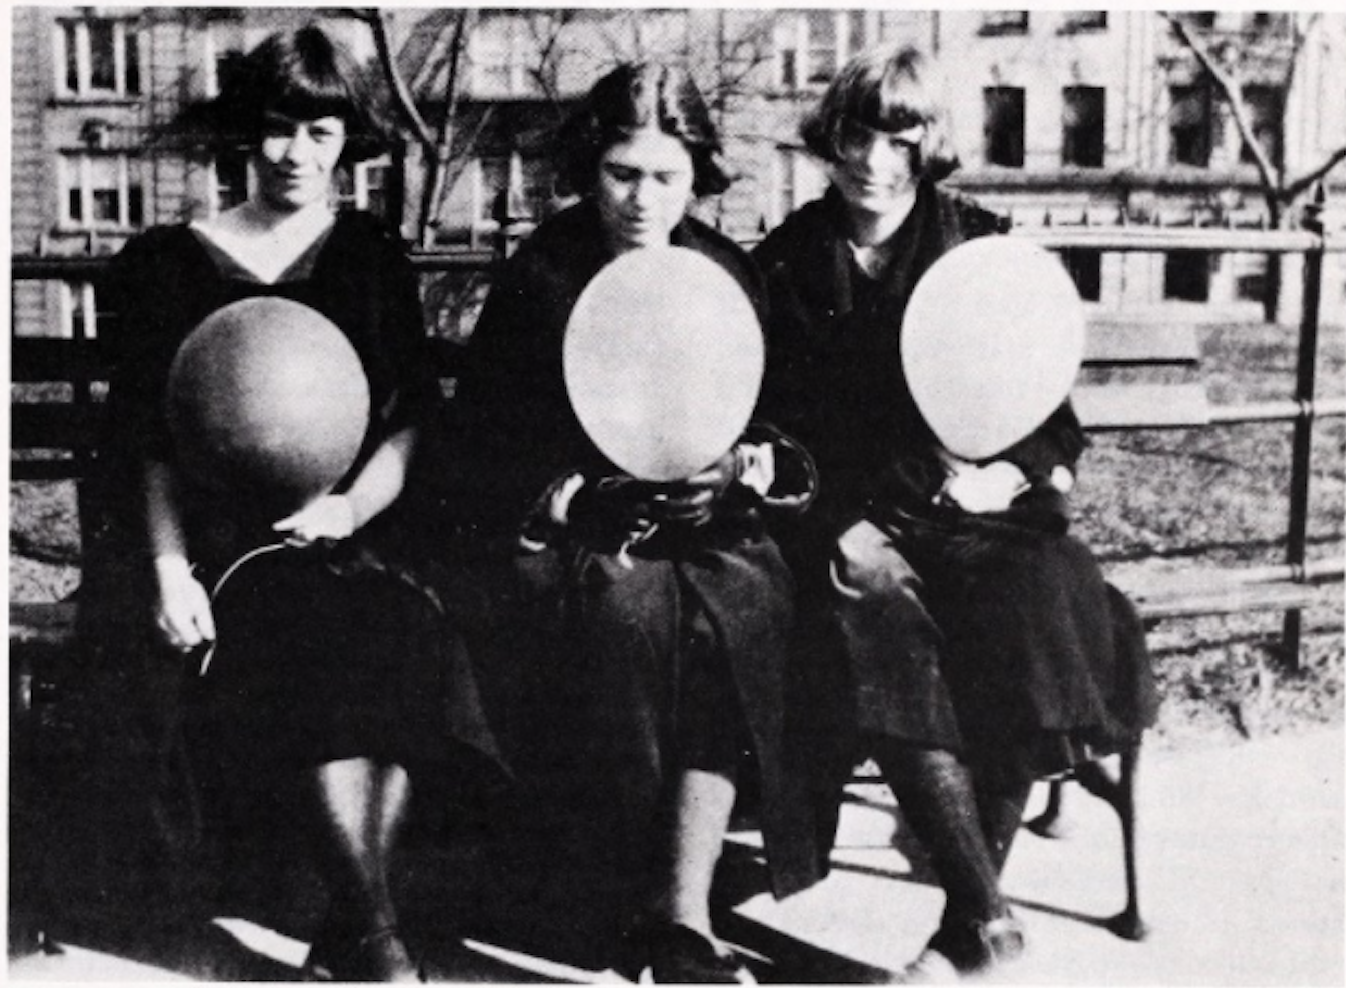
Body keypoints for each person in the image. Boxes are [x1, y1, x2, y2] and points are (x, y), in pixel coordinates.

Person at [97, 26, 503, 982]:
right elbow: (143, 447)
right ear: (248, 134)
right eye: (279, 129)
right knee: (301, 627)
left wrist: (350, 511)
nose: (297, 153)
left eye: (322, 132)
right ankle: (374, 932)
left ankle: (359, 928)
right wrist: (164, 568)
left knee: (400, 628)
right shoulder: (171, 263)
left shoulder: (367, 257)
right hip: (216, 542)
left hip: (345, 528)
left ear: (344, 144)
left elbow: (407, 426)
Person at [753, 45, 1159, 981]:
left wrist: (1011, 472)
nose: (875, 160)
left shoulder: (982, 248)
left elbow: (1049, 417)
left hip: (980, 516)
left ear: (928, 143)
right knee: (873, 609)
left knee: (1036, 594)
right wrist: (830, 518)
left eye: (900, 136)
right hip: (850, 519)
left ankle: (962, 931)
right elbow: (768, 427)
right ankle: (984, 917)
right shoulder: (785, 263)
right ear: (832, 140)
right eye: (858, 134)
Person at [447, 63, 821, 983]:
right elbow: (486, 446)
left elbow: (769, 413)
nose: (642, 198)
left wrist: (732, 467)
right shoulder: (542, 279)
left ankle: (684, 911)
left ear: (697, 175)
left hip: (710, 520)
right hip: (583, 530)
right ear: (589, 169)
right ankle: (622, 887)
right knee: (628, 617)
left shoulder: (725, 270)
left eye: (665, 175)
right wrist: (581, 495)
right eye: (622, 173)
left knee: (743, 609)